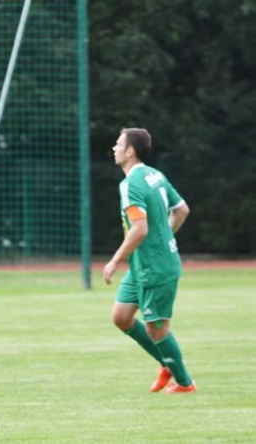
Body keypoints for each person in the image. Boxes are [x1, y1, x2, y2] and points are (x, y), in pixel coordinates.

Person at [104, 128, 195, 394]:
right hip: (142, 264)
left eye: (118, 144)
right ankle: (165, 362)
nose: (114, 148)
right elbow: (182, 210)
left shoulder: (130, 184)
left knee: (158, 330)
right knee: (121, 317)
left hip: (155, 267)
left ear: (130, 151)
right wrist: (163, 237)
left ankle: (185, 383)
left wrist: (114, 261)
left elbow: (140, 229)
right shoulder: (155, 174)